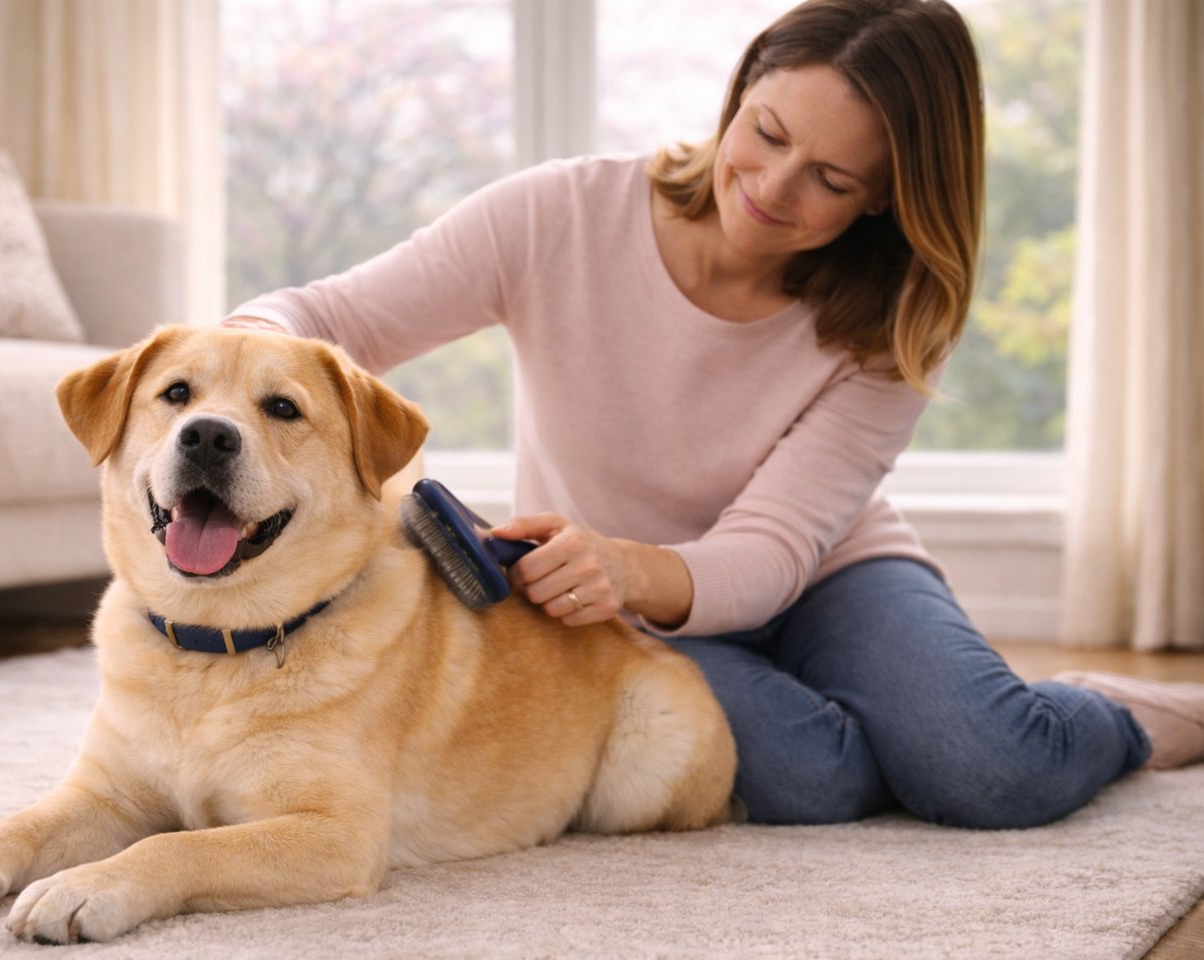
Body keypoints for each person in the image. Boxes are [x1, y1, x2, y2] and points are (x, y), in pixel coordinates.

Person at [224, 0, 1204, 827]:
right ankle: (916, 729)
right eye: (769, 134)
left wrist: (628, 562)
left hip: (826, 571)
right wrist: (224, 374)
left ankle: (1109, 712)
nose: (773, 189)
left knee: (996, 770)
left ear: (884, 201)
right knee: (810, 777)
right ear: (739, 94)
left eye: (831, 180)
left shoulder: (893, 316)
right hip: (608, 613)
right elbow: (327, 317)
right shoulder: (559, 216)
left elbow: (772, 552)